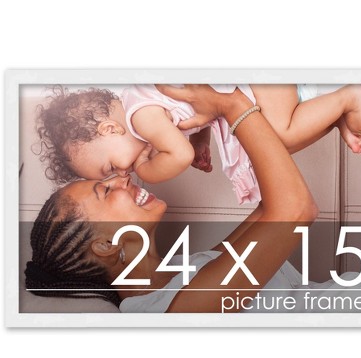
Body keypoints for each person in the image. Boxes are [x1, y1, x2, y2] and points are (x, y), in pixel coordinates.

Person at [26, 86, 320, 312]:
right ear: (105, 245)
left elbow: (273, 208)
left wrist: (209, 119)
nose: (124, 178)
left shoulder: (181, 271)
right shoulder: (178, 310)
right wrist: (229, 103)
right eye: (105, 190)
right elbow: (296, 210)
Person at [36, 83, 361, 204]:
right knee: (271, 147)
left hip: (254, 82)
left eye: (111, 167)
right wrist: (201, 139)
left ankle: (347, 98)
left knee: (277, 138)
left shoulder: (140, 119)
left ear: (110, 128)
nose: (123, 173)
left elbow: (179, 154)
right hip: (254, 87)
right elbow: (194, 112)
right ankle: (334, 114)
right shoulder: (141, 100)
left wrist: (147, 169)